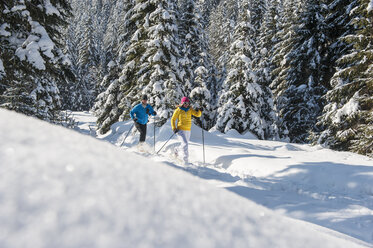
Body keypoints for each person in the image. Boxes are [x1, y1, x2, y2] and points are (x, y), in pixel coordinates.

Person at [171, 96, 202, 165]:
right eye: (185, 103)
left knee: (184, 144)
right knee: (185, 143)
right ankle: (185, 161)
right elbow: (173, 119)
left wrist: (200, 111)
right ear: (182, 103)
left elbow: (197, 114)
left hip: (188, 130)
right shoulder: (178, 110)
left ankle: (176, 150)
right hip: (180, 130)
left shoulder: (190, 109)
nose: (186, 104)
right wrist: (174, 128)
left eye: (187, 103)